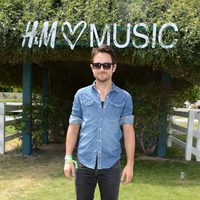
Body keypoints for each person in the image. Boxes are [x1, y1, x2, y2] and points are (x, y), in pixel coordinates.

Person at [64, 44, 135, 200]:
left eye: (106, 65)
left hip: (111, 165)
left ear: (113, 67)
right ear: (92, 67)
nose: (102, 69)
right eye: (97, 65)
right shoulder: (80, 95)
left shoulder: (124, 97)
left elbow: (128, 131)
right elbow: (74, 127)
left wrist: (130, 164)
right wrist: (68, 158)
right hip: (84, 164)